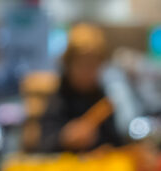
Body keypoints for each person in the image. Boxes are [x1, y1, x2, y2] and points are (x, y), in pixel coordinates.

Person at [39, 23, 123, 152]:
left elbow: (115, 141)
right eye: (82, 65)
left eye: (93, 66)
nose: (87, 72)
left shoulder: (101, 97)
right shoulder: (58, 98)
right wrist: (64, 138)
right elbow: (42, 145)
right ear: (68, 65)